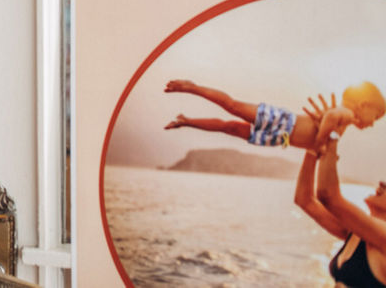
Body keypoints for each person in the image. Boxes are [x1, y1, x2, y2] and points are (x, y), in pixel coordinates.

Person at [294, 94, 386, 287]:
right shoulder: (356, 233)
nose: (383, 183)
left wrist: (332, 134)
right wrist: (313, 148)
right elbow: (304, 200)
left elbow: (328, 195)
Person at [164, 79, 385, 152]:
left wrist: (321, 145)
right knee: (233, 107)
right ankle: (192, 88)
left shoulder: (346, 121)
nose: (372, 124)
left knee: (229, 127)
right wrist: (319, 143)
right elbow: (329, 118)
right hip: (284, 123)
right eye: (376, 117)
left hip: (282, 137)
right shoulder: (347, 114)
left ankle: (187, 121)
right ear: (365, 105)